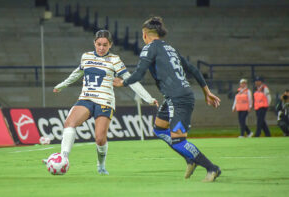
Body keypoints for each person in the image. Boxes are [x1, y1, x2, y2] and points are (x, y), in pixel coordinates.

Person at [113, 17, 221, 182]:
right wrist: (206, 92)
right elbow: (193, 69)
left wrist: (123, 82)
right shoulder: (170, 48)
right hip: (175, 97)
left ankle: (212, 168)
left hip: (179, 99)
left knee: (178, 140)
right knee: (159, 128)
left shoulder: (149, 49)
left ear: (145, 35)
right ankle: (189, 159)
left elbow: (139, 73)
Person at [53, 30, 158, 175]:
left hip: (105, 101)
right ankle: (63, 158)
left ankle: (101, 165)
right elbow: (76, 73)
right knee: (69, 123)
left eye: (105, 45)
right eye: (99, 44)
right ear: (94, 43)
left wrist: (148, 98)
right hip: (86, 98)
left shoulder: (114, 60)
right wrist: (62, 85)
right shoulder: (86, 57)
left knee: (100, 138)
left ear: (110, 45)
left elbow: (130, 79)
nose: (101, 48)